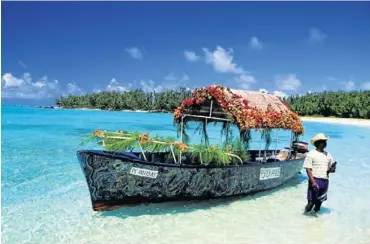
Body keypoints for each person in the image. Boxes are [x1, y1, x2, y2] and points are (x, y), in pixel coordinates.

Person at [303, 133, 336, 213]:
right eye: (323, 141)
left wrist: (331, 169)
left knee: (318, 204)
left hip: (325, 181)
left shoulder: (328, 155)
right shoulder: (311, 154)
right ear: (317, 143)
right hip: (315, 180)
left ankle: (316, 220)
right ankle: (304, 215)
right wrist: (313, 182)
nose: (325, 143)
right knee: (310, 203)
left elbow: (333, 169)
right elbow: (308, 169)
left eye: (325, 141)